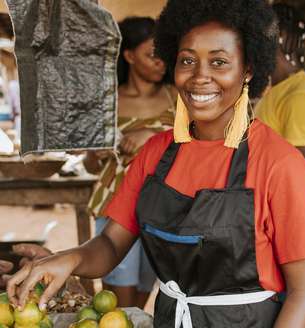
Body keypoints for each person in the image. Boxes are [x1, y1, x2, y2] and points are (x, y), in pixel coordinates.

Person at [8, 1, 305, 327]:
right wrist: (67, 259)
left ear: (247, 70)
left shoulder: (279, 163)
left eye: (219, 62)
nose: (200, 77)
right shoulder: (155, 154)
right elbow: (109, 244)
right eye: (187, 60)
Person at [83, 17, 176, 308]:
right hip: (114, 204)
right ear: (129, 55)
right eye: (152, 54)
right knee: (118, 299)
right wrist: (95, 154)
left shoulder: (177, 97)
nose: (160, 62)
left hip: (161, 206)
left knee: (142, 294)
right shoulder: (108, 101)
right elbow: (90, 166)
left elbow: (197, 145)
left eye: (164, 54)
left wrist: (151, 135)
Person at [255, 3, 305, 187]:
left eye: (258, 36)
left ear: (281, 37)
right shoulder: (277, 90)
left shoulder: (300, 96)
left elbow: (302, 184)